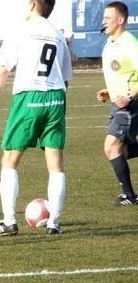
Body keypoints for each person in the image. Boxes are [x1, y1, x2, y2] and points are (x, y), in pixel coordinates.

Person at [0, 0, 73, 237]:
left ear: (33, 3)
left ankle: (9, 220)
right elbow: (65, 79)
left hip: (28, 97)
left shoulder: (21, 30)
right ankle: (54, 222)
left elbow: (3, 69)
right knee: (55, 164)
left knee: (10, 159)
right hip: (56, 97)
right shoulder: (58, 35)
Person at [96, 1, 138, 206]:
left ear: (120, 20)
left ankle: (130, 196)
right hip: (118, 103)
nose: (104, 21)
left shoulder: (129, 43)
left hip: (129, 104)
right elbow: (121, 72)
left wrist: (129, 96)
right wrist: (109, 91)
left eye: (107, 18)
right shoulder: (111, 42)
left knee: (111, 147)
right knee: (122, 151)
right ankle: (129, 196)